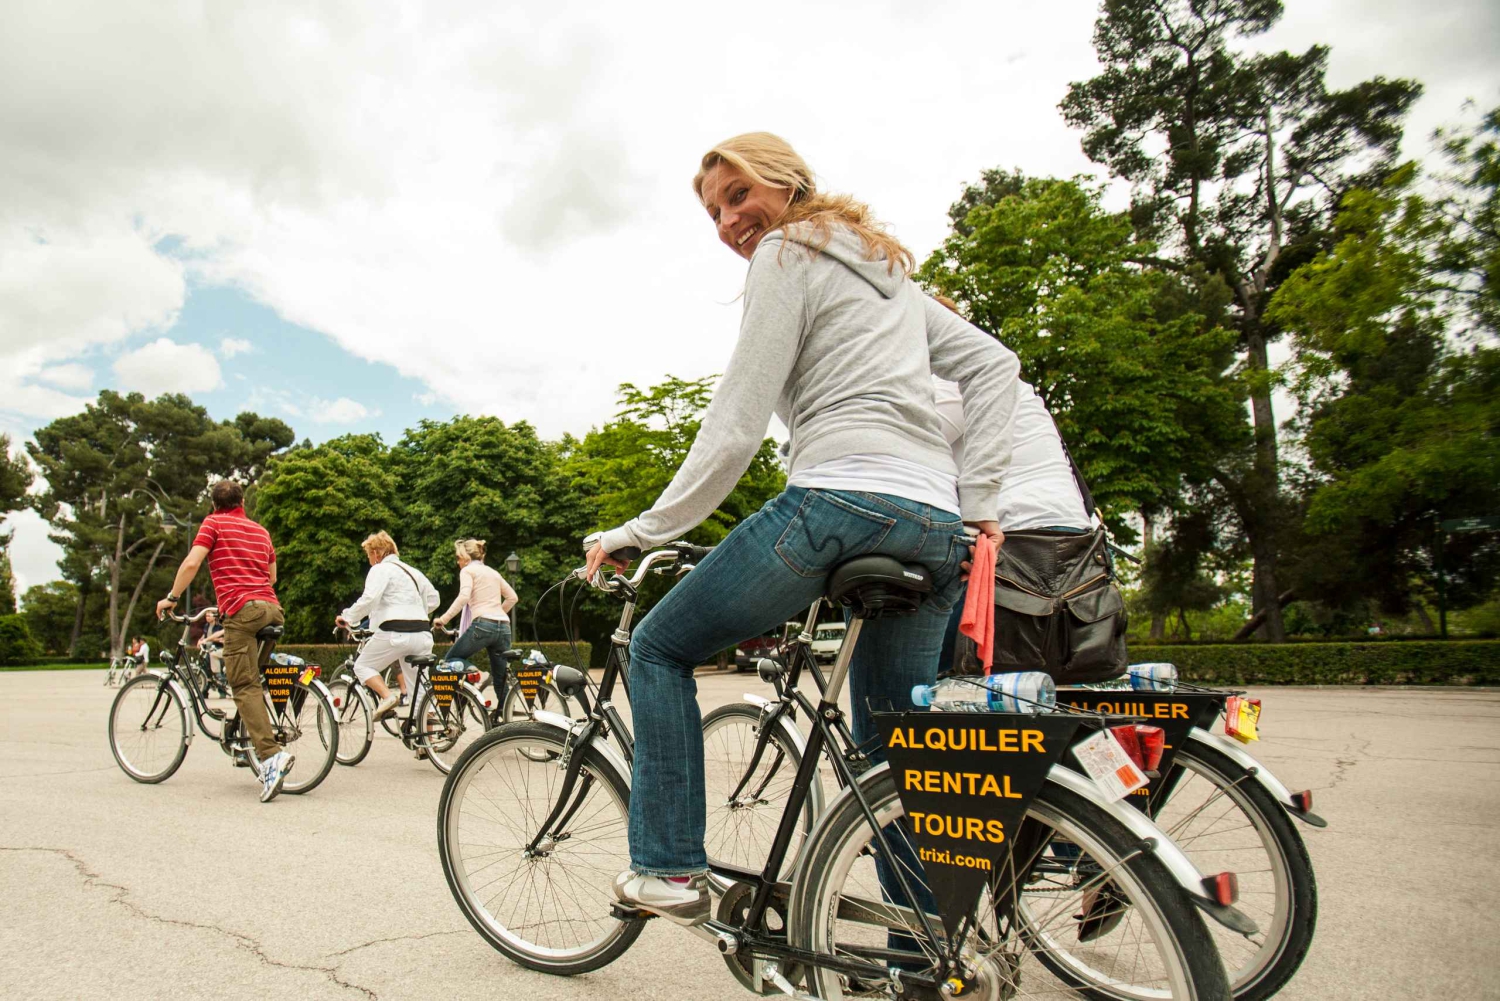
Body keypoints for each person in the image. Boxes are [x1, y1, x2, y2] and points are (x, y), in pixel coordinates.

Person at [581, 132, 1019, 924]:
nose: (728, 221)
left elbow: (737, 420)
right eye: (714, 211)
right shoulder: (888, 275)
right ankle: (922, 950)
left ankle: (672, 869)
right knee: (896, 756)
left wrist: (642, 530)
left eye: (738, 193)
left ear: (786, 183)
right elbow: (996, 366)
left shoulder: (785, 252)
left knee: (659, 645)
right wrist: (979, 502)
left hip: (837, 503)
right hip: (934, 525)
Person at [927, 295, 1092, 673]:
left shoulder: (955, 377)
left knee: (931, 660)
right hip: (1072, 538)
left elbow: (915, 441)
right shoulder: (1018, 385)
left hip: (1018, 539)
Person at [156, 480, 295, 803]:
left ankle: (271, 755)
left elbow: (192, 563)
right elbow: (272, 577)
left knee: (242, 685)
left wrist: (172, 598)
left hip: (242, 611)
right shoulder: (260, 531)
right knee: (254, 679)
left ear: (213, 504)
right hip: (272, 609)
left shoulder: (213, 523)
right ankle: (250, 736)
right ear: (243, 500)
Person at [335, 532, 440, 729]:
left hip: (395, 632)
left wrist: (347, 617)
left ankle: (387, 696)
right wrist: (414, 610)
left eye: (368, 555)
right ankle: (427, 740)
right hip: (423, 633)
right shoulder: (413, 572)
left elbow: (369, 599)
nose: (370, 561)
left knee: (362, 666)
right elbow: (435, 599)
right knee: (418, 685)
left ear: (376, 553)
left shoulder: (380, 569)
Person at [433, 538, 519, 690]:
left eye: (458, 558)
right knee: (500, 678)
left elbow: (464, 597)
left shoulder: (467, 571)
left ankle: (480, 674)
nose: (457, 562)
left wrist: (443, 619)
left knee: (450, 659)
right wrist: (497, 614)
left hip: (483, 625)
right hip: (504, 627)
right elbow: (513, 597)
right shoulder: (493, 573)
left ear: (465, 557)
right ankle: (506, 712)